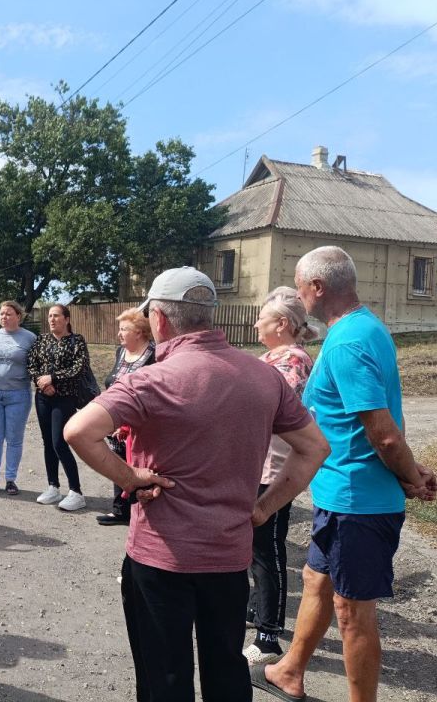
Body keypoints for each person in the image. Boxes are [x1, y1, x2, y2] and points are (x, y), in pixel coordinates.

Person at [63, 266, 330, 702]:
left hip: (160, 557)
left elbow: (78, 431)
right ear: (211, 315)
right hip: (228, 557)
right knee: (226, 671)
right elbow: (315, 448)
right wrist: (264, 508)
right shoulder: (263, 376)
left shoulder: (149, 381)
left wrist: (129, 478)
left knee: (164, 676)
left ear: (161, 320)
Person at [256, 246, 437, 702]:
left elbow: (383, 433)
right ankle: (290, 671)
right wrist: (410, 470)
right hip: (341, 495)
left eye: (300, 287)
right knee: (317, 580)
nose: (298, 296)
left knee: (352, 611)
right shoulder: (366, 328)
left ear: (317, 287)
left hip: (357, 501)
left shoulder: (349, 343)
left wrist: (410, 477)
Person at [244, 286, 318, 666]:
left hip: (274, 470)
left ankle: (269, 636)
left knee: (267, 551)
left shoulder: (292, 360)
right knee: (253, 548)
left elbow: (273, 411)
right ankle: (257, 612)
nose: (256, 322)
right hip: (258, 465)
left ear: (282, 324)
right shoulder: (274, 357)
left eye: (263, 317)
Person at [26, 304, 90, 511]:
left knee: (59, 442)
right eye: (50, 316)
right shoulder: (42, 340)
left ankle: (76, 491)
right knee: (47, 443)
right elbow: (31, 364)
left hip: (65, 398)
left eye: (57, 316)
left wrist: (53, 378)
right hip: (43, 397)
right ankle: (53, 486)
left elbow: (79, 368)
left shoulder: (76, 341)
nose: (52, 319)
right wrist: (41, 382)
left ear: (67, 319)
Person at [95, 309, 155, 527]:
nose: (119, 333)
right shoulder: (121, 352)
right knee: (118, 462)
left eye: (124, 329)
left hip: (139, 422)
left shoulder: (152, 355)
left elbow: (148, 393)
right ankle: (120, 510)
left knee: (137, 464)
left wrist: (128, 425)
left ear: (139, 332)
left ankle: (138, 511)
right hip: (117, 419)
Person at [0, 300, 36, 496]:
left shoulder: (29, 338)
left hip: (18, 395)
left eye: (9, 314)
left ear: (18, 316)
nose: (4, 317)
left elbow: (34, 365)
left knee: (14, 439)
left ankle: (11, 480)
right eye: (1, 313)